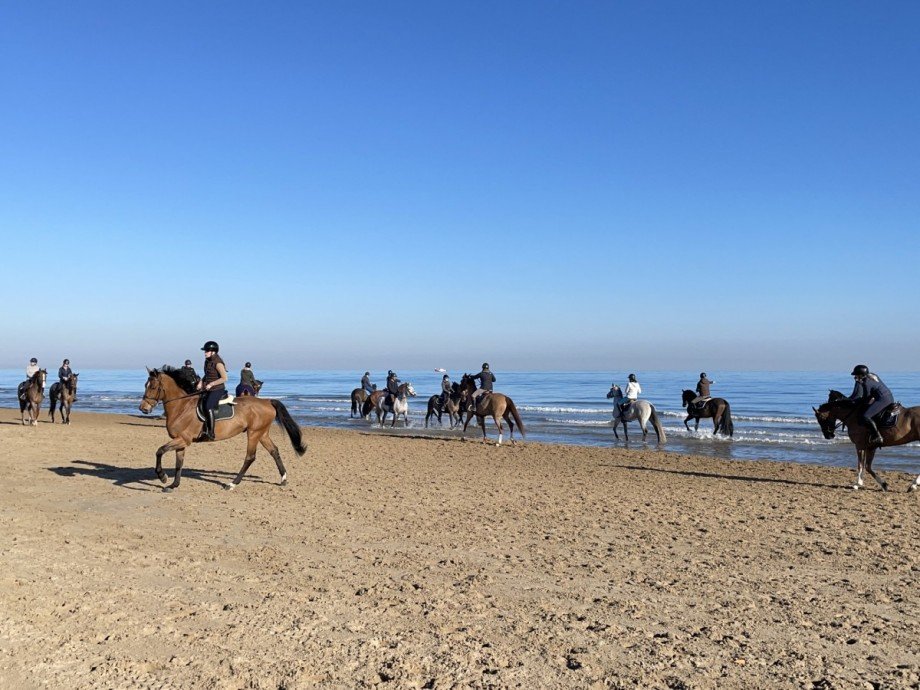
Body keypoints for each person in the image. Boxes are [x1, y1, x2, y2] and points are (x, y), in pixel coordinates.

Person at [848, 364, 894, 445]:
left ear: (861, 375)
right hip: (888, 396)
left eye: (856, 375)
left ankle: (878, 436)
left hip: (883, 399)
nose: (855, 377)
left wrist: (856, 401)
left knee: (866, 416)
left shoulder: (866, 383)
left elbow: (866, 398)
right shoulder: (873, 376)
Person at [197, 340, 228, 441]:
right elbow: (208, 374)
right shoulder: (208, 361)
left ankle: (211, 432)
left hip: (217, 389)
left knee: (208, 406)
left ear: (213, 352)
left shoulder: (218, 363)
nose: (205, 353)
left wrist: (211, 384)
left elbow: (224, 378)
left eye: (206, 351)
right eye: (205, 351)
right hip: (208, 388)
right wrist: (201, 381)